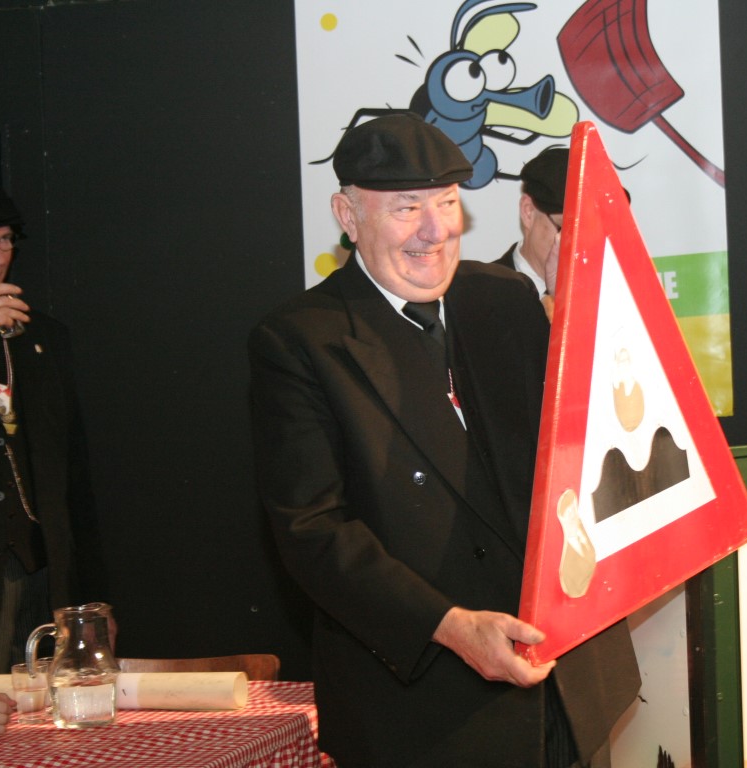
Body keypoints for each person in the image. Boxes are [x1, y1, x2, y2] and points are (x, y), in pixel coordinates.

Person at [249, 114, 640, 768]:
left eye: (448, 203)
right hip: (428, 710)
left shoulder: (506, 297)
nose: (436, 230)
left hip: (570, 687)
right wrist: (450, 627)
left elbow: (574, 454)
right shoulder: (301, 340)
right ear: (348, 216)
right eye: (407, 208)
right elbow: (312, 532)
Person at [0, 189, 103, 673]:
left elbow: (73, 474)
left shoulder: (42, 338)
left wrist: (92, 598)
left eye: (5, 241)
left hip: (40, 569)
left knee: (39, 708)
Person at [495, 146, 568, 322]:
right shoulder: (476, 295)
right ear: (528, 212)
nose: (582, 243)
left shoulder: (615, 300)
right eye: (567, 229)